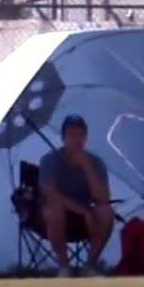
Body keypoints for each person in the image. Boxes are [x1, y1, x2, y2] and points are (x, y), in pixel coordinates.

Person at [39, 114, 114, 277]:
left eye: (81, 135)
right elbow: (51, 194)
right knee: (53, 209)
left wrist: (87, 168)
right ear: (63, 138)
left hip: (87, 216)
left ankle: (90, 266)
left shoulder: (96, 162)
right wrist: (83, 211)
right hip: (57, 216)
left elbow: (103, 197)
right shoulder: (49, 161)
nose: (76, 140)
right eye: (72, 135)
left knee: (106, 212)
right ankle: (64, 267)